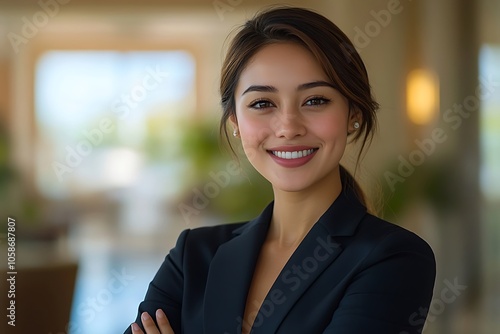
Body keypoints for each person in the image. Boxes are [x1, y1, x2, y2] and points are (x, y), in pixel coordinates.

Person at [125, 6, 436, 334]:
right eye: (262, 103)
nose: (288, 127)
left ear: (353, 115)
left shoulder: (393, 257)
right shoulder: (193, 256)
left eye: (315, 100)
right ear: (236, 123)